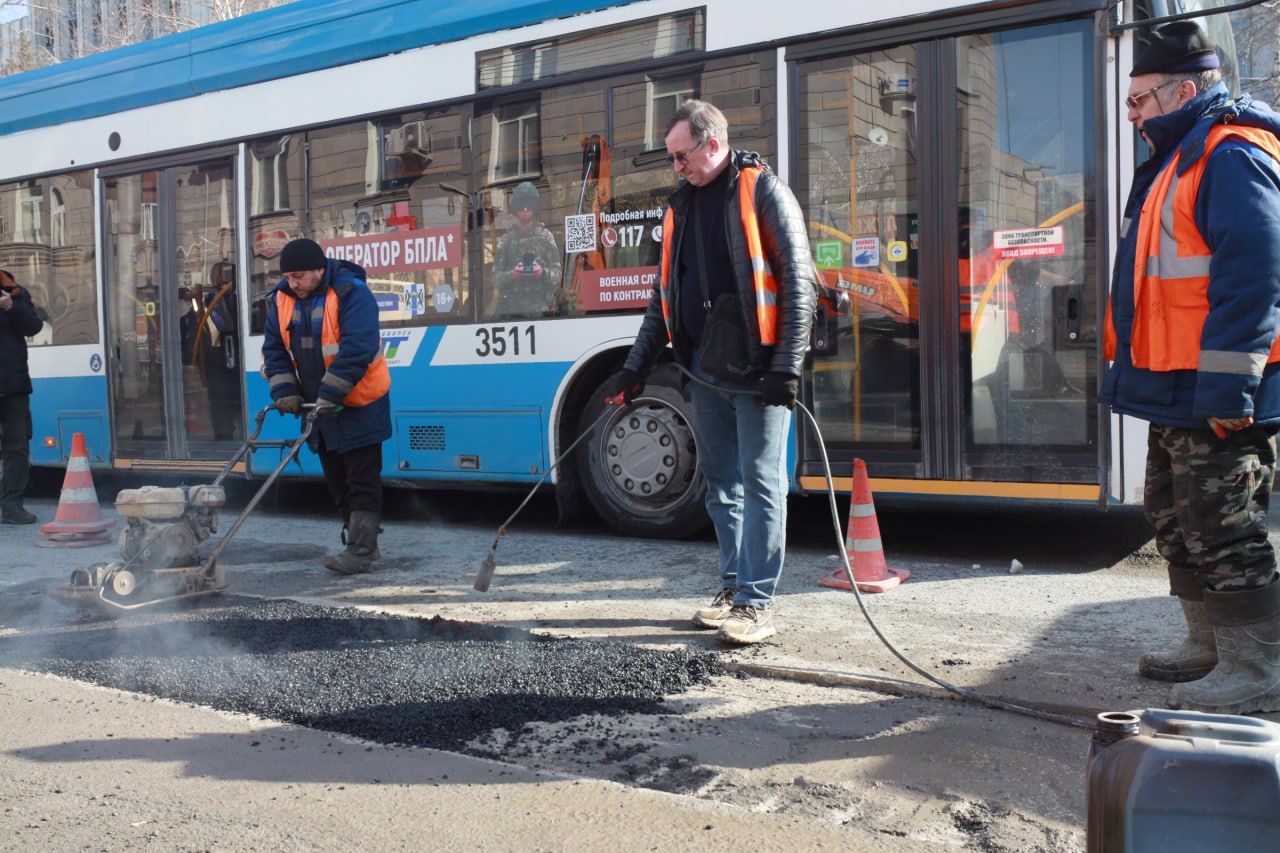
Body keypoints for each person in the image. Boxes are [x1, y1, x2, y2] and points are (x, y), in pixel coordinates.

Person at [1100, 22, 1280, 714]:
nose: (1133, 114)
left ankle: (1256, 666)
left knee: (1223, 523)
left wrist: (1231, 383)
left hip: (1218, 387)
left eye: (1140, 99)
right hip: (1177, 382)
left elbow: (1256, 273)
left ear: (1184, 91)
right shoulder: (1179, 157)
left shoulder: (1230, 155)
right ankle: (1208, 644)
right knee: (1175, 516)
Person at [612, 99, 816, 645]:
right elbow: (663, 299)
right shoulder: (679, 208)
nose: (674, 166)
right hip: (704, 374)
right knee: (722, 485)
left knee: (763, 482)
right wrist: (634, 368)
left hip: (758, 372)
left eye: (681, 155)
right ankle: (733, 588)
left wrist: (786, 367)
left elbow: (800, 283)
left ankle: (756, 604)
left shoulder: (763, 191)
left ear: (713, 144)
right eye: (671, 158)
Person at [262, 238, 392, 574]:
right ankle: (355, 540)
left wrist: (330, 394)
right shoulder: (281, 300)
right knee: (337, 480)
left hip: (360, 402)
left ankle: (362, 551)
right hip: (319, 408)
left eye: (300, 276)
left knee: (361, 479)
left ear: (320, 269)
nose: (294, 284)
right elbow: (275, 351)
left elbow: (359, 347)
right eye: (289, 277)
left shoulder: (352, 292)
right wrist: (285, 392)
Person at [0, 269, 43, 525]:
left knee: (16, 446)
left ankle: (11, 505)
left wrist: (11, 307)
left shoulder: (15, 292)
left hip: (13, 385)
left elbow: (34, 326)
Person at [489, 181, 562, 318]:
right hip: (512, 312)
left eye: (529, 205)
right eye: (521, 205)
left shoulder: (546, 237)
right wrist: (512, 274)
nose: (525, 209)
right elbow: (495, 278)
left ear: (535, 208)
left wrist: (542, 273)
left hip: (542, 311)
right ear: (515, 208)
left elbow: (557, 274)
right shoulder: (506, 240)